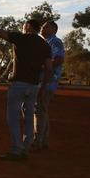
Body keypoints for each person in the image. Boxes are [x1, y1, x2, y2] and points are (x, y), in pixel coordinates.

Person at [0, 16, 52, 161]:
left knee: (13, 118)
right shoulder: (45, 45)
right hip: (34, 86)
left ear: (28, 26)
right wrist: (43, 87)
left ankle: (16, 149)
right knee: (28, 118)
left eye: (23, 25)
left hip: (19, 84)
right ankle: (25, 148)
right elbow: (49, 69)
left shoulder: (21, 38)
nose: (22, 27)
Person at [32, 21, 64, 151]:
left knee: (39, 111)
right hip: (46, 81)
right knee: (42, 111)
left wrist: (41, 66)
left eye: (46, 27)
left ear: (54, 30)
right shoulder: (47, 42)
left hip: (47, 81)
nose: (42, 28)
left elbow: (59, 59)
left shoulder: (54, 42)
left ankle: (37, 142)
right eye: (42, 26)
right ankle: (43, 141)